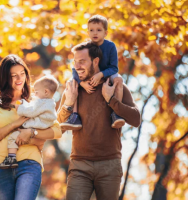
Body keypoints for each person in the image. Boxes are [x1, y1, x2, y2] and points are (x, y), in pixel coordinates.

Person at [57, 41, 141, 200]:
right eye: (75, 61)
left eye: (82, 61)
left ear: (95, 61)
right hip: (79, 165)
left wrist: (111, 100)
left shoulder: (115, 86)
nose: (77, 66)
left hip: (110, 165)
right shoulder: (73, 89)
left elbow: (136, 119)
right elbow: (57, 128)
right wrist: (68, 103)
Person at [0, 54, 62, 200]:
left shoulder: (37, 99)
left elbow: (57, 131)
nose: (19, 79)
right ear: (5, 78)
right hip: (2, 165)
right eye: (14, 75)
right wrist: (15, 124)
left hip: (30, 164)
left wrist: (32, 133)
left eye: (22, 74)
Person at [62, 14, 126, 130]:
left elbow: (114, 68)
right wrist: (82, 83)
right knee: (72, 83)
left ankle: (116, 113)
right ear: (88, 32)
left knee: (119, 79)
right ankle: (75, 116)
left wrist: (101, 74)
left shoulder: (110, 46)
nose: (95, 33)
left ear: (105, 33)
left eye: (98, 30)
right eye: (91, 30)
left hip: (106, 74)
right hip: (87, 75)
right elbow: (75, 68)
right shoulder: (86, 46)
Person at [0, 76, 59, 169]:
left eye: (36, 92)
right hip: (42, 126)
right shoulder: (49, 103)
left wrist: (19, 107)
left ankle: (11, 159)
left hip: (37, 125)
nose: (34, 94)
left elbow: (30, 111)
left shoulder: (41, 102)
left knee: (12, 137)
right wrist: (23, 103)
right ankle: (37, 144)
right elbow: (32, 107)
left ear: (46, 92)